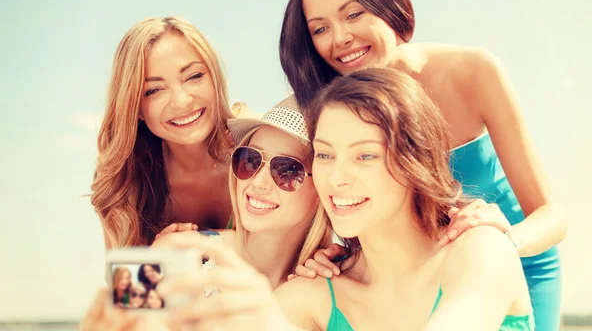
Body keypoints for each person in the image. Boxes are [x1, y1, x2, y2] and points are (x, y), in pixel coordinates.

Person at [279, 0, 565, 329]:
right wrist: (324, 254)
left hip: (506, 255)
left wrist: (504, 245)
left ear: (388, 4)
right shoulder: (328, 108)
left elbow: (551, 215)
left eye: (353, 14)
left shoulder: (471, 71)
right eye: (320, 28)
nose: (341, 37)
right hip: (397, 282)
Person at [161, 68, 535, 330]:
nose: (338, 178)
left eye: (288, 170)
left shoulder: (479, 247)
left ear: (413, 161)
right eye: (249, 160)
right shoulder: (186, 253)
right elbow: (112, 313)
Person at [82, 95, 330, 330]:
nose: (258, 182)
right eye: (251, 160)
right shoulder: (176, 248)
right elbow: (115, 318)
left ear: (323, 188)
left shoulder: (330, 279)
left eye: (287, 170)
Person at [91, 16, 234, 248]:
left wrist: (193, 243)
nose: (182, 101)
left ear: (215, 78)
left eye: (194, 76)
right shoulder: (124, 180)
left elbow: (285, 251)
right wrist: (158, 258)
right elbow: (124, 279)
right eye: (154, 90)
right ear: (135, 107)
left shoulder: (260, 149)